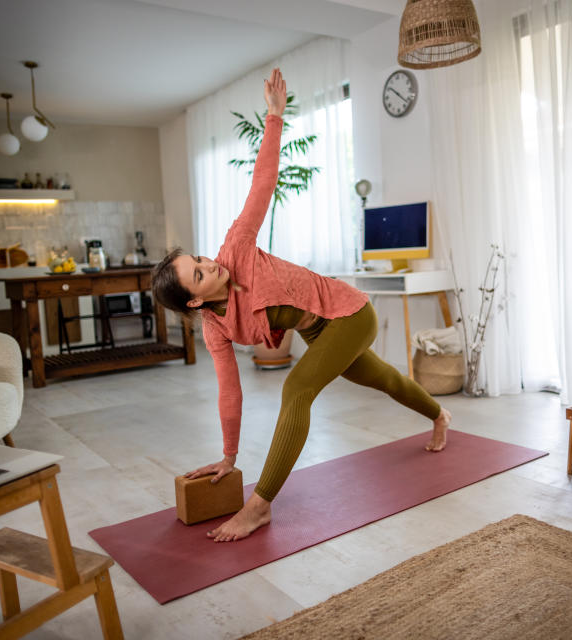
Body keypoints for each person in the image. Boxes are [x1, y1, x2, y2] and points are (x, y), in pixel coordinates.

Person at [152, 68, 452, 542]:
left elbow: (262, 185)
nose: (210, 264)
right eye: (199, 273)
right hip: (321, 332)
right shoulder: (215, 328)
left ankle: (260, 507)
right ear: (194, 299)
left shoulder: (237, 248)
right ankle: (439, 414)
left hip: (350, 313)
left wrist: (275, 117)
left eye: (202, 259)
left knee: (296, 389)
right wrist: (229, 457)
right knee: (384, 379)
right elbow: (230, 393)